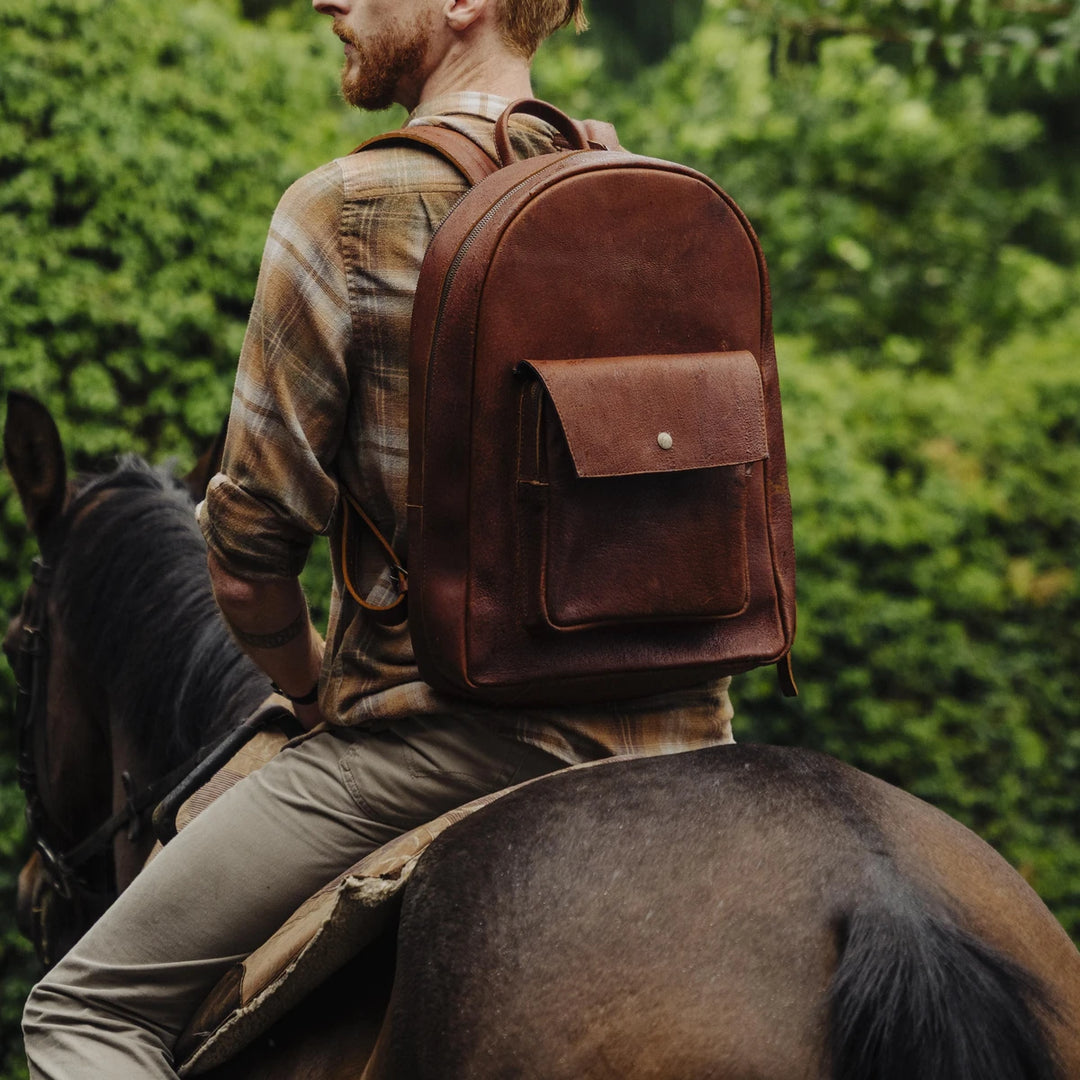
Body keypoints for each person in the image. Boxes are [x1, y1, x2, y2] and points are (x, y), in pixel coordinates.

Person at [22, 0, 735, 1075]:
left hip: (449, 747)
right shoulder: (655, 199)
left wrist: (309, 689)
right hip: (692, 741)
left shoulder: (343, 211)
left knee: (77, 1013)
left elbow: (249, 559)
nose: (326, 1)